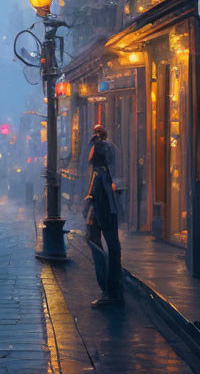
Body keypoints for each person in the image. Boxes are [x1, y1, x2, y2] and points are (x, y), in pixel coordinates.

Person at [83, 124, 123, 307]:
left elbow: (99, 201)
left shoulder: (101, 176)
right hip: (104, 214)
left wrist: (91, 214)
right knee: (109, 248)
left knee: (106, 249)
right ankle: (111, 290)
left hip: (104, 215)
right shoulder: (101, 174)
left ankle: (110, 291)